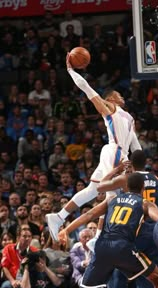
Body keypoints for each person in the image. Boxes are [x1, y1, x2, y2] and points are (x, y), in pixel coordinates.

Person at [42, 172, 158, 288]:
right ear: (143, 188)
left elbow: (87, 216)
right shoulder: (145, 203)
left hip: (102, 249)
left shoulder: (112, 200)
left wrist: (66, 231)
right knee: (156, 277)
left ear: (126, 187)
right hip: (123, 247)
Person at [46, 53, 141, 241]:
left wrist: (140, 167)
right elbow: (87, 89)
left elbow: (136, 146)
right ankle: (104, 237)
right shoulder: (111, 109)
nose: (120, 95)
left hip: (118, 153)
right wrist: (71, 71)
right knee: (112, 195)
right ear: (110, 100)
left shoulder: (129, 118)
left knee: (93, 191)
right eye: (116, 94)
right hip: (115, 151)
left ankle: (59, 217)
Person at [97, 149, 158, 288]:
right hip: (154, 231)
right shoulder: (156, 179)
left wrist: (116, 170)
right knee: (154, 275)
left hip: (136, 231)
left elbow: (100, 186)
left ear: (130, 163)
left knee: (120, 272)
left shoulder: (127, 178)